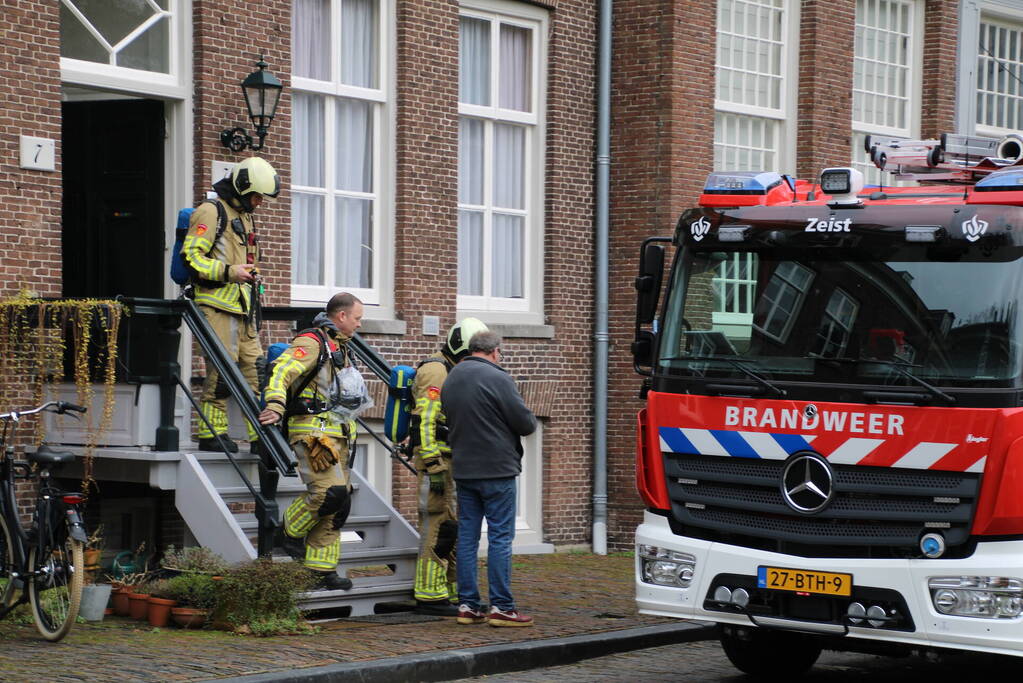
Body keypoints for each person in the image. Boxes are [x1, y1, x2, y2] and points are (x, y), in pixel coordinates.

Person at [258, 292, 366, 591]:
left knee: (340, 502)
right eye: (357, 318)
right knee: (328, 493)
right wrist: (275, 405)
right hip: (313, 432)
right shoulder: (312, 342)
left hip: (339, 434)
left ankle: (321, 569)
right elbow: (281, 370)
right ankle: (289, 532)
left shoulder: (343, 347)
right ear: (341, 316)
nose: (359, 324)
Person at [182, 156, 280, 453]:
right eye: (255, 196)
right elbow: (192, 258)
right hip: (215, 305)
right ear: (241, 187)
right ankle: (212, 434)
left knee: (256, 372)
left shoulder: (245, 213)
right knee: (222, 372)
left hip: (242, 307)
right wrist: (229, 272)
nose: (259, 202)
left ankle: (258, 436)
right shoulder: (210, 212)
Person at [442, 330, 537, 627]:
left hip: (464, 469)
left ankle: (468, 604)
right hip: (497, 470)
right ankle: (502, 607)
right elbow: (525, 423)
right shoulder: (498, 378)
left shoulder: (452, 377)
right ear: (495, 351)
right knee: (499, 538)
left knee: (468, 538)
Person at [409, 317, 489, 616]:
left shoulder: (455, 369)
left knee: (451, 526)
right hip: (438, 463)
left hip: (454, 460)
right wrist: (432, 463)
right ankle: (429, 594)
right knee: (437, 525)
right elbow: (425, 419)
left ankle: (451, 587)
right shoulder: (436, 371)